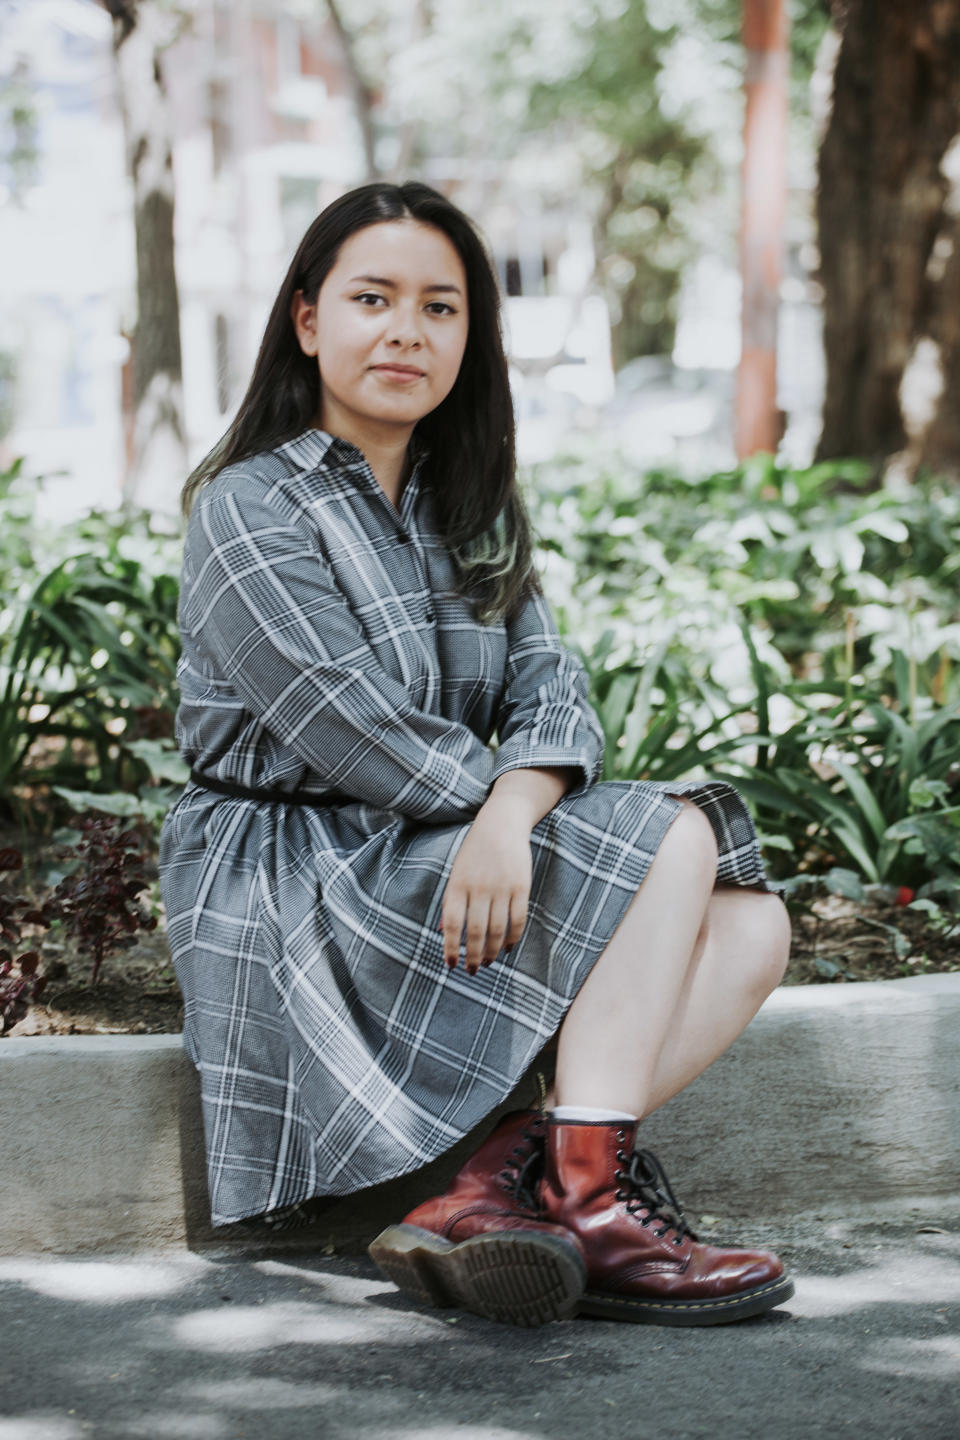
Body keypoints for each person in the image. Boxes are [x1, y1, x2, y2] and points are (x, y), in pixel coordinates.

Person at [159, 180, 794, 1331]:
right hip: (295, 872)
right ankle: (592, 1206)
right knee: (677, 829)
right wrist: (499, 812)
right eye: (373, 297)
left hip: (444, 841)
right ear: (308, 320)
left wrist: (511, 815)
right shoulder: (247, 507)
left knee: (755, 921)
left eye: (440, 307)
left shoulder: (473, 502)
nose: (407, 328)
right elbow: (350, 726)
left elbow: (556, 687)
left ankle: (504, 1182)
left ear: (469, 336)